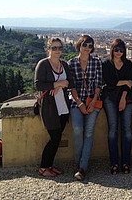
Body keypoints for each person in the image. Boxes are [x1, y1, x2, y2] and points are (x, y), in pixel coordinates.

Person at [34, 37, 74, 177]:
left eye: (60, 48)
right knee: (54, 137)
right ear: (48, 49)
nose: (57, 50)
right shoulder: (43, 64)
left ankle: (49, 165)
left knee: (57, 137)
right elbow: (38, 85)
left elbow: (70, 82)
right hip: (49, 107)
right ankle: (43, 167)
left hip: (63, 106)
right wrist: (57, 84)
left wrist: (63, 83)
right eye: (54, 48)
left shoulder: (64, 64)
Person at [68, 35, 102, 180]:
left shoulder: (97, 62)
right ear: (79, 45)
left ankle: (82, 167)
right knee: (77, 130)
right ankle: (79, 160)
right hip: (77, 101)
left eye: (90, 46)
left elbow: (99, 84)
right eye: (85, 45)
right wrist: (80, 103)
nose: (87, 48)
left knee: (88, 133)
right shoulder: (72, 63)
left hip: (93, 102)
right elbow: (71, 86)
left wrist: (93, 101)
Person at [102, 39, 132, 175]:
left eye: (121, 50)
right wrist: (124, 81)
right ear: (112, 50)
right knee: (113, 130)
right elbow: (109, 83)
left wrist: (123, 97)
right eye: (116, 50)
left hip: (125, 99)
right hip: (110, 98)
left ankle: (126, 162)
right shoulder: (106, 64)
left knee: (127, 130)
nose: (118, 52)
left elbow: (130, 84)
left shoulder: (128, 64)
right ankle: (114, 162)